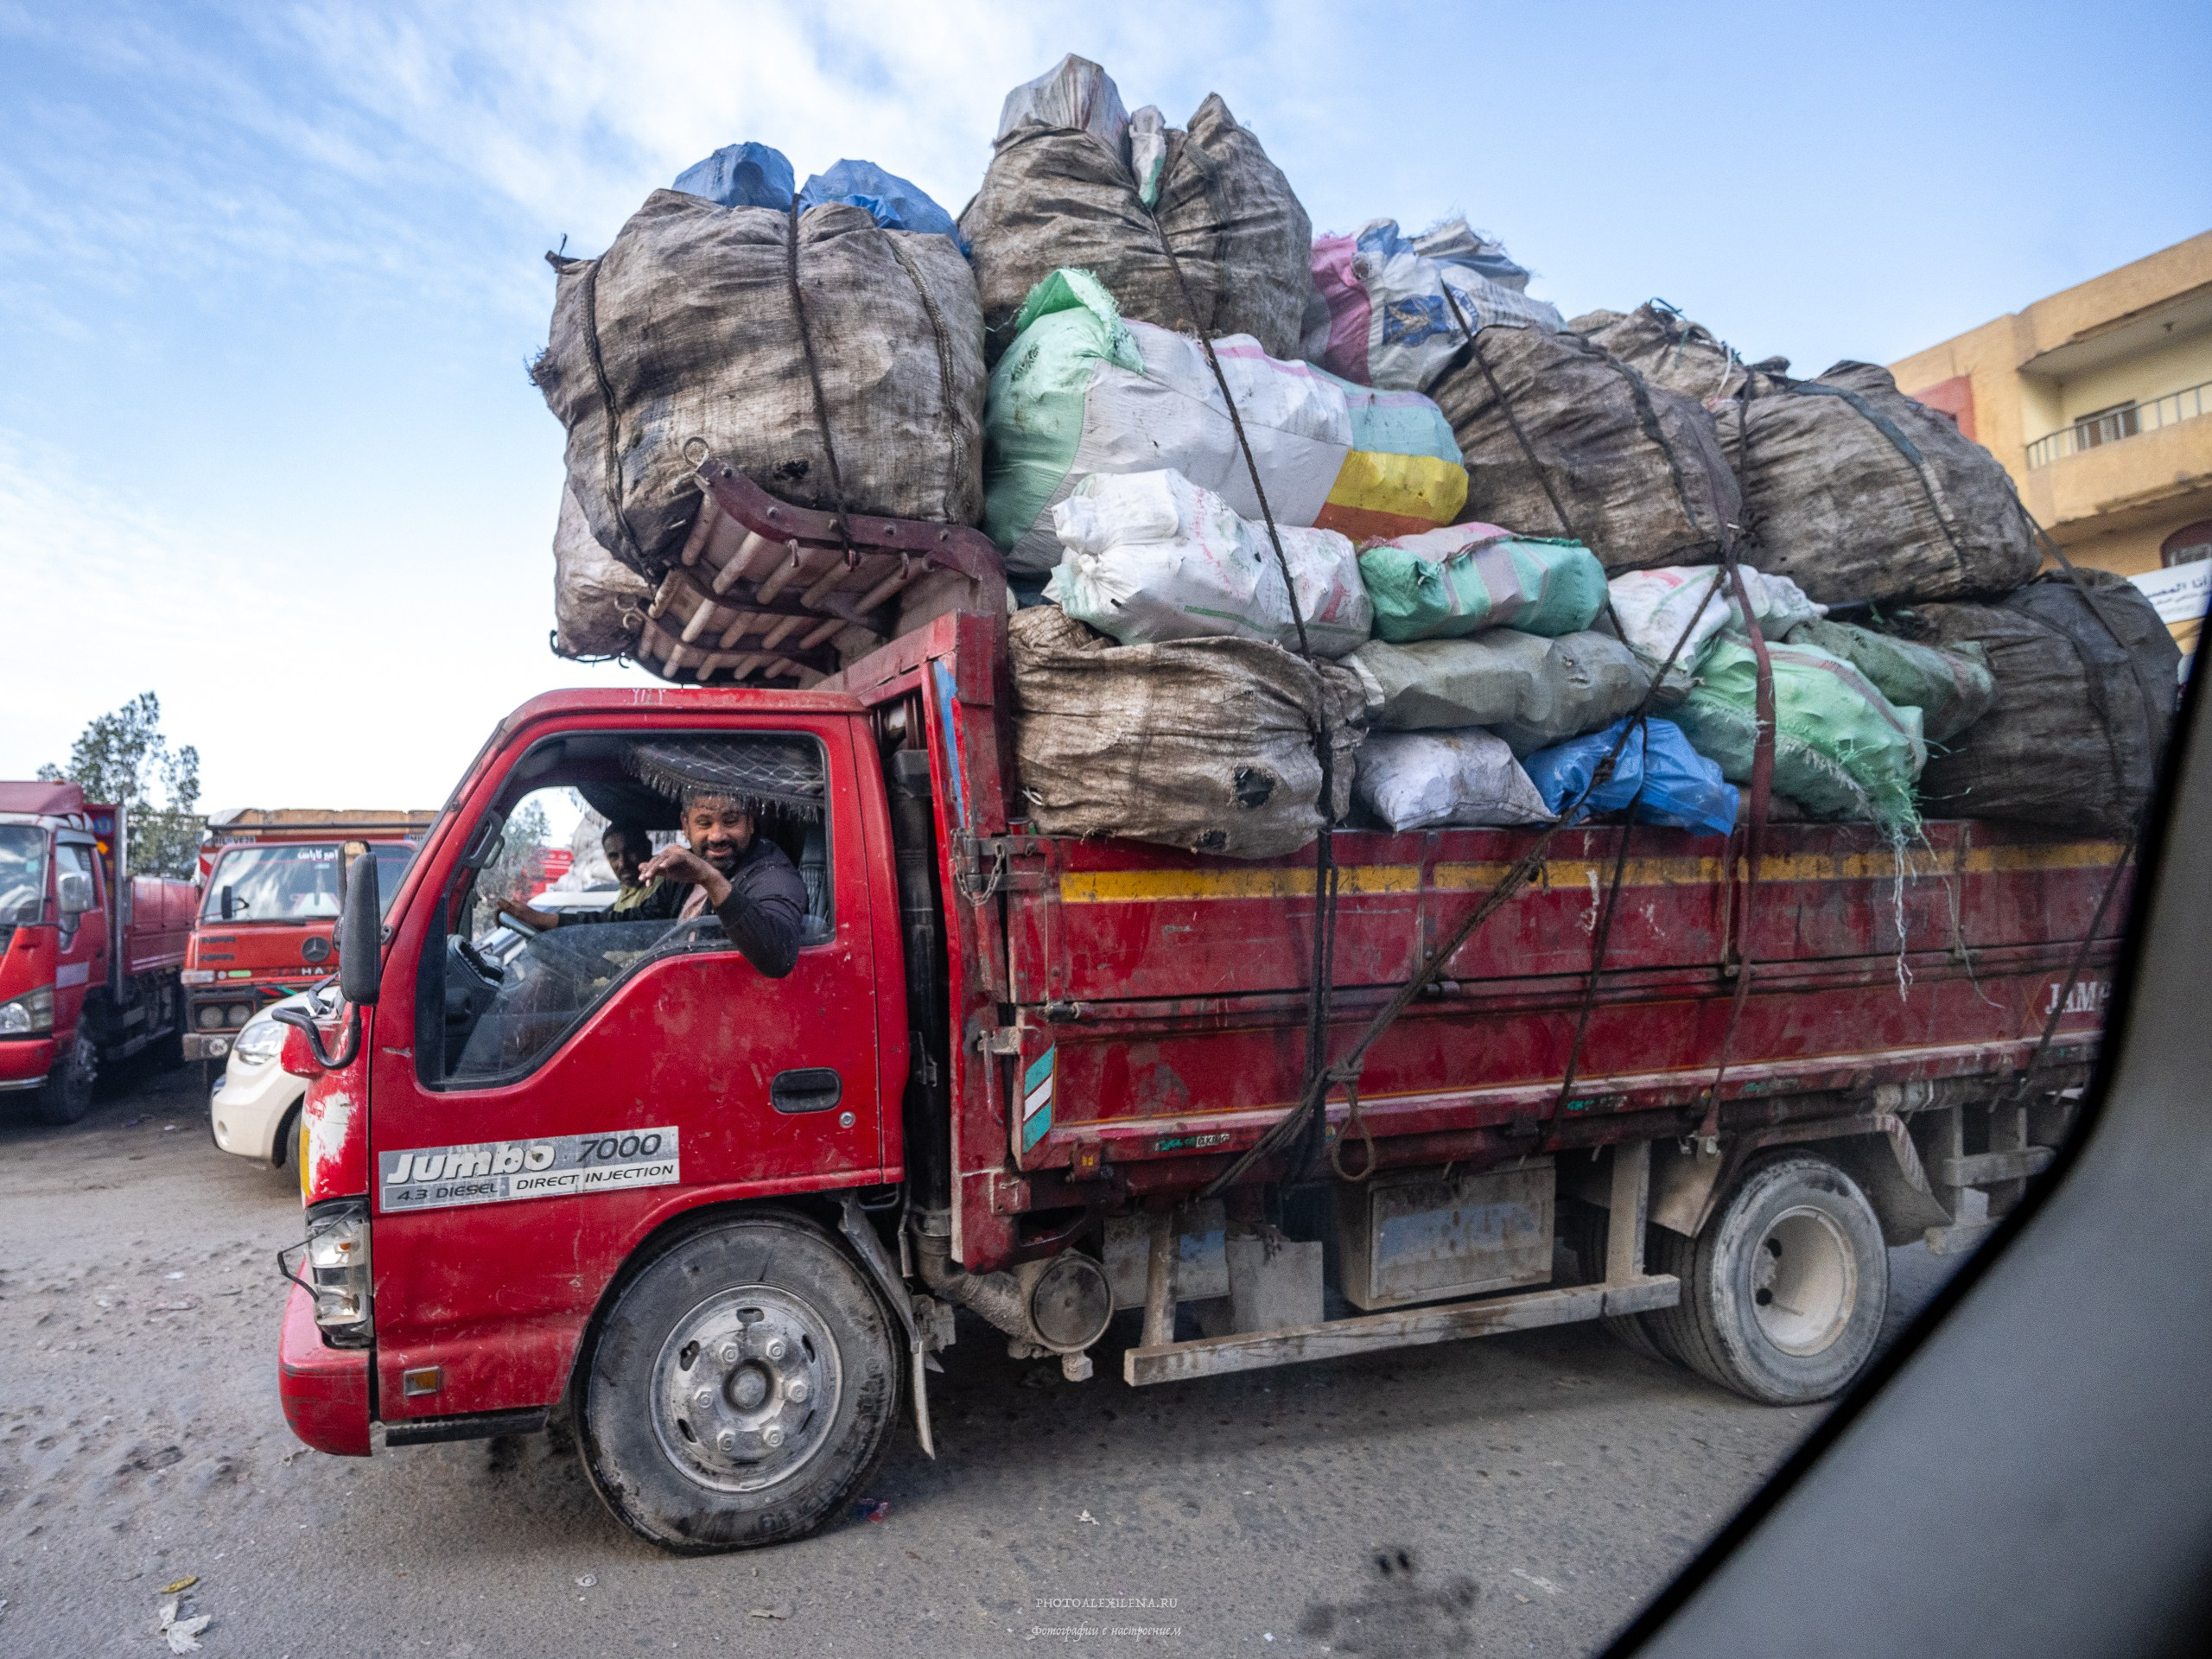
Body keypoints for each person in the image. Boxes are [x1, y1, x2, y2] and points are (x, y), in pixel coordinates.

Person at [503, 797, 805, 979]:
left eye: (730, 821)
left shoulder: (770, 872)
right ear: (686, 826)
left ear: (750, 823)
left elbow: (777, 957)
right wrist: (552, 922)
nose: (717, 835)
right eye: (704, 823)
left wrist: (710, 879)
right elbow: (636, 926)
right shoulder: (685, 875)